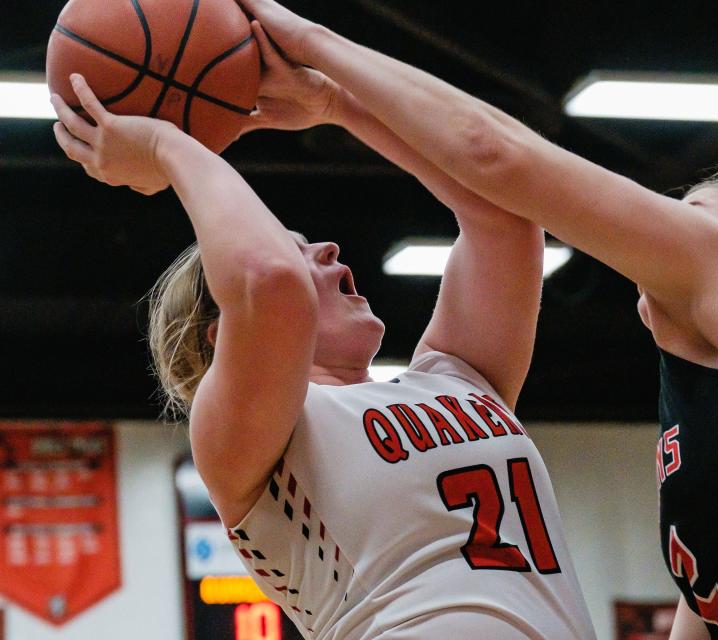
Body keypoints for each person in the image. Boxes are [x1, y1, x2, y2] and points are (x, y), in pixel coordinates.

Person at [226, 2, 718, 638]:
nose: (663, 226)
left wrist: (322, 57)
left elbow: (494, 160)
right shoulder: (695, 430)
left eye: (690, 216)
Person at [49, 63, 597, 638]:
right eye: (297, 247)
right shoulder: (239, 437)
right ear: (222, 335)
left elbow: (505, 213)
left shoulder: (456, 377)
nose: (329, 248)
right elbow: (268, 278)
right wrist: (167, 146)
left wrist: (342, 106)